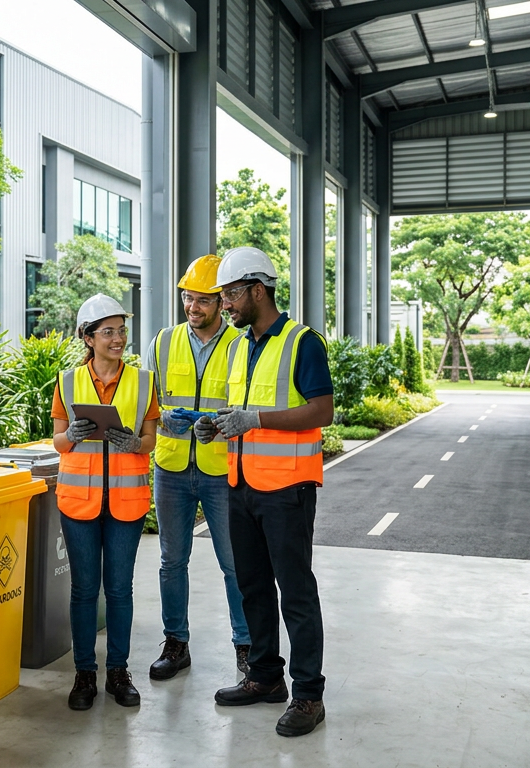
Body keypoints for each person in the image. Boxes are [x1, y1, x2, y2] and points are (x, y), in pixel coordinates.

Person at [194, 246, 334, 738]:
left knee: (295, 592)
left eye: (231, 294)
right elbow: (242, 408)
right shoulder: (240, 345)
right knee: (252, 586)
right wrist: (220, 426)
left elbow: (322, 411)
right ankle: (266, 678)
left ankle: (308, 695)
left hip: (287, 489)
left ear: (258, 290)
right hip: (241, 485)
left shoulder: (302, 343)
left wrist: (255, 420)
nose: (225, 304)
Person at [145, 254, 251, 681]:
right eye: (188, 297)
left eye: (203, 299)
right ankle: (176, 644)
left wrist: (221, 426)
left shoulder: (240, 345)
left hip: (220, 467)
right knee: (172, 561)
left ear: (222, 302)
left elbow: (247, 406)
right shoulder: (164, 341)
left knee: (234, 563)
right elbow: (146, 401)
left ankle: (246, 648)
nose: (193, 307)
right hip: (171, 467)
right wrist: (159, 417)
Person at [52, 293, 159, 711]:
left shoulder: (143, 381)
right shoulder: (67, 382)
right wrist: (74, 435)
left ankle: (117, 671)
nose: (118, 339)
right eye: (109, 331)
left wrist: (136, 442)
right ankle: (83, 675)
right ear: (88, 337)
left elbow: (150, 439)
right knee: (83, 590)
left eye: (121, 330)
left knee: (119, 589)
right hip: (79, 501)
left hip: (126, 503)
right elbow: (58, 441)